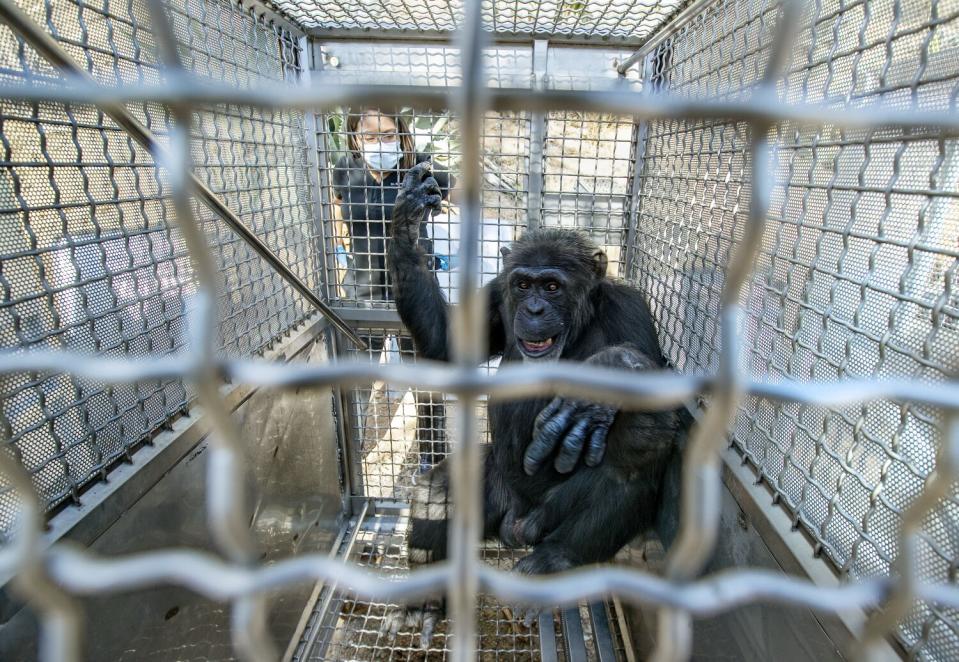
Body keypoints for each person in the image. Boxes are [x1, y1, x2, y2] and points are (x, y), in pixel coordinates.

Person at [331, 108, 455, 473]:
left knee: (426, 381)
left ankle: (432, 454)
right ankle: (346, 458)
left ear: (402, 136)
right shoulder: (345, 169)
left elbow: (464, 193)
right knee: (355, 380)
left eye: (388, 135)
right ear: (355, 138)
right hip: (362, 293)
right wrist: (343, 253)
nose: (380, 144)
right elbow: (338, 211)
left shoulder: (420, 169)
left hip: (416, 294)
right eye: (370, 137)